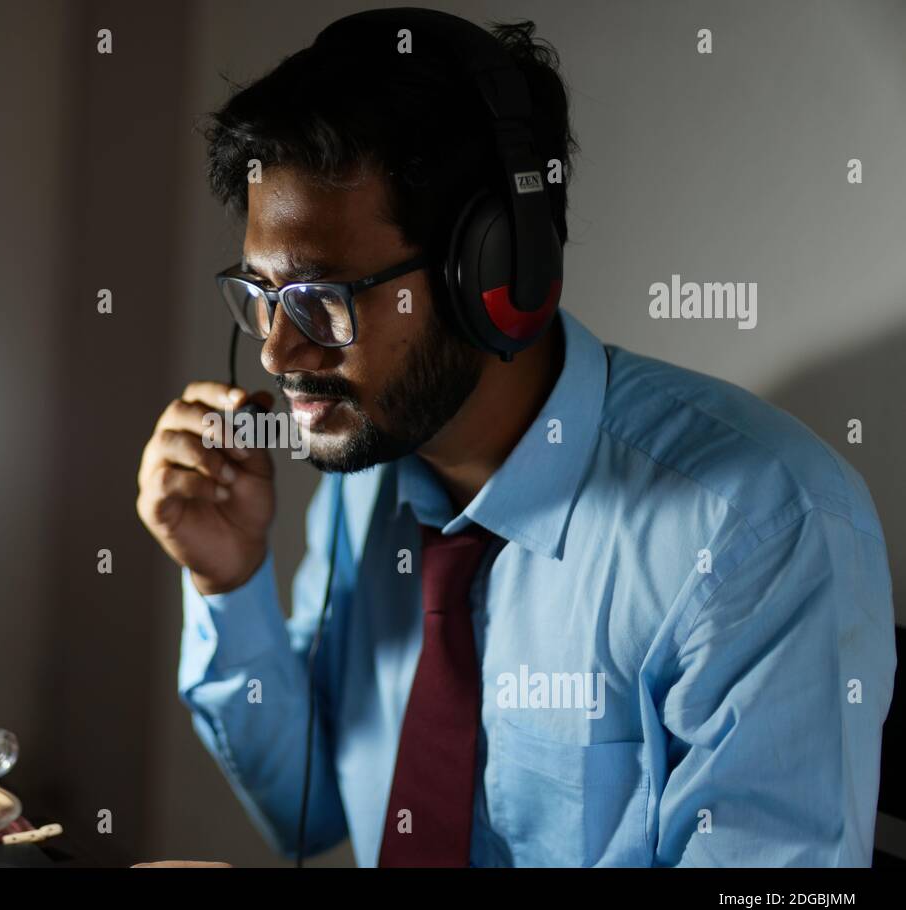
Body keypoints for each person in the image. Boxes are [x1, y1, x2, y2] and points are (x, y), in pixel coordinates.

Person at [135, 8, 895, 866]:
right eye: (262, 293)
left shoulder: (756, 528)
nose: (277, 348)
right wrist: (226, 580)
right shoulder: (370, 478)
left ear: (494, 275)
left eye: (323, 297)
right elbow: (307, 807)